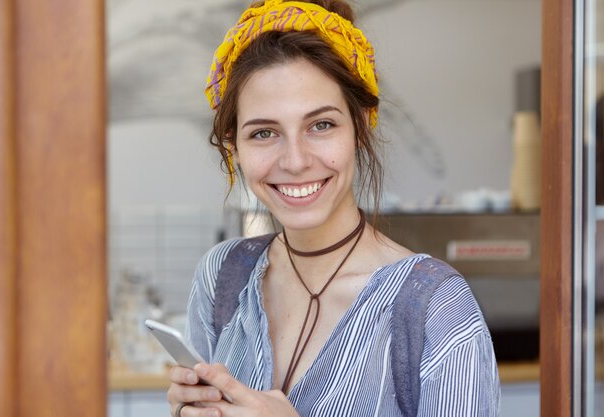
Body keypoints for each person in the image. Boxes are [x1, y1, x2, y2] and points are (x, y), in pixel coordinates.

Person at [167, 0, 501, 416]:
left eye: (321, 125)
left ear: (360, 125)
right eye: (264, 132)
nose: (294, 160)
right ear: (234, 146)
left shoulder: (436, 309)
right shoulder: (222, 277)